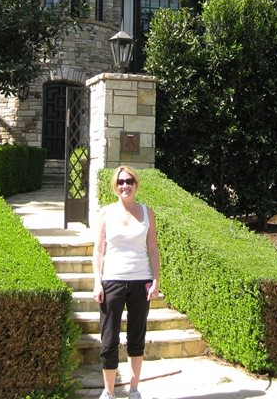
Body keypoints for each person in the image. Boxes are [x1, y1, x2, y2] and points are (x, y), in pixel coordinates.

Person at [92, 165, 161, 399]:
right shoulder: (106, 213)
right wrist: (97, 282)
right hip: (111, 281)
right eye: (121, 181)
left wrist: (156, 280)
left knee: (136, 337)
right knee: (109, 340)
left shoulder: (147, 212)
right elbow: (99, 250)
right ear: (115, 186)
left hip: (140, 281)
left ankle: (133, 389)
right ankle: (109, 392)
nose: (125, 185)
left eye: (129, 181)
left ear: (136, 184)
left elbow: (153, 249)